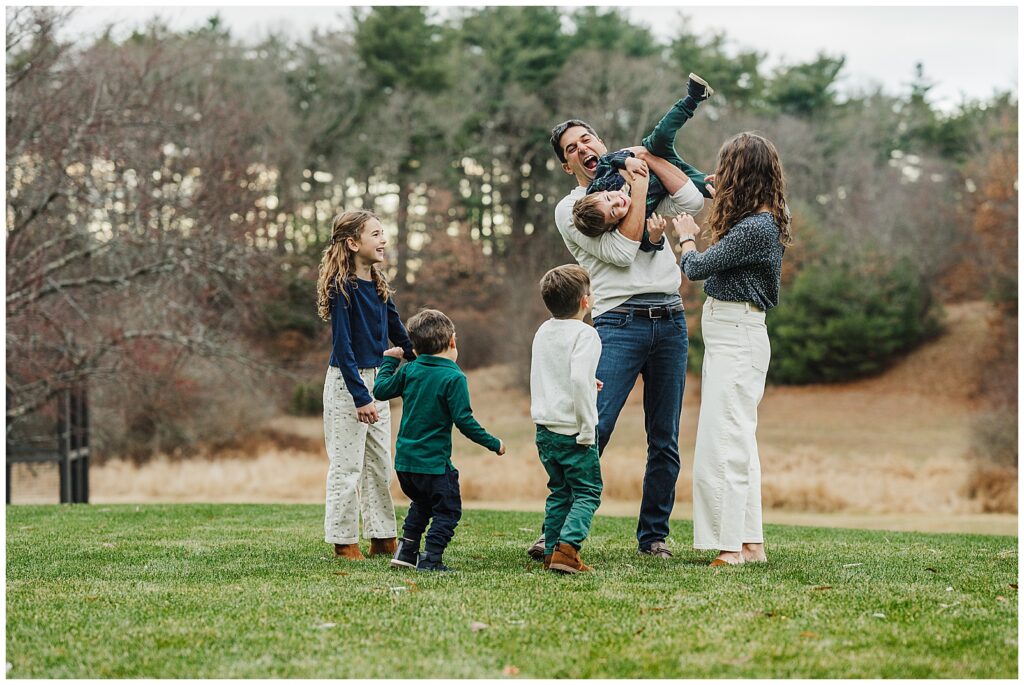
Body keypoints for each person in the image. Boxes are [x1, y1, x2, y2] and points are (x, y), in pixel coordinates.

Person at [528, 88, 710, 560]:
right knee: (595, 425)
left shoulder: (628, 180)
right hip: (617, 322)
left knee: (664, 437)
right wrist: (643, 190)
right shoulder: (573, 209)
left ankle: (654, 538)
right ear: (567, 166)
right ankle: (557, 532)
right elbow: (622, 252)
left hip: (670, 320)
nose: (583, 149)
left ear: (602, 144)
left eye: (587, 140)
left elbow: (691, 202)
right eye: (571, 149)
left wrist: (649, 156)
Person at [673, 132, 792, 567]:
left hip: (737, 335)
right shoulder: (766, 217)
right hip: (736, 333)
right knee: (738, 439)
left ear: (740, 174)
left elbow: (698, 267)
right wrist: (712, 186)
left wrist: (686, 236)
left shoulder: (755, 228)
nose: (719, 176)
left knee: (724, 440)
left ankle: (729, 549)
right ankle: (750, 543)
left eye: (726, 169)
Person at [373, 309, 506, 572]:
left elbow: (380, 390)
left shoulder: (410, 370)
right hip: (433, 465)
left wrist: (390, 360)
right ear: (453, 341)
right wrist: (494, 443)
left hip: (405, 465)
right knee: (448, 510)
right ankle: (431, 559)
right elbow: (465, 421)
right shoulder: (453, 377)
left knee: (421, 504)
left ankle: (406, 552)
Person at [316, 210, 416, 561]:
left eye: (383, 232)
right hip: (348, 384)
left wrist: (422, 366)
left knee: (379, 463)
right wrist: (361, 396)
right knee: (347, 466)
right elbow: (342, 348)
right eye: (375, 234)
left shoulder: (378, 284)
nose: (383, 239)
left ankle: (383, 536)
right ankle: (344, 542)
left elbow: (398, 332)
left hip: (379, 382)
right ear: (353, 243)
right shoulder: (341, 287)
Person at [571, 73, 714, 252]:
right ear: (612, 225)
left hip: (654, 153)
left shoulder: (601, 183)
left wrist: (628, 161)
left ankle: (694, 97)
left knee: (661, 134)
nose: (618, 201)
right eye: (614, 211)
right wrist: (655, 237)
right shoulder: (634, 215)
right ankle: (740, 187)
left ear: (599, 193)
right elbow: (643, 242)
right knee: (710, 185)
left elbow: (607, 160)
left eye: (609, 198)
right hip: (670, 179)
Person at [530, 265, 604, 574]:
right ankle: (568, 549)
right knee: (587, 491)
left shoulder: (544, 331)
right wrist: (587, 430)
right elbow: (576, 379)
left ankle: (550, 552)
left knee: (560, 491)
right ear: (585, 301)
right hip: (573, 431)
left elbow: (553, 372)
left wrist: (589, 381)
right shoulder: (587, 334)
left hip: (545, 430)